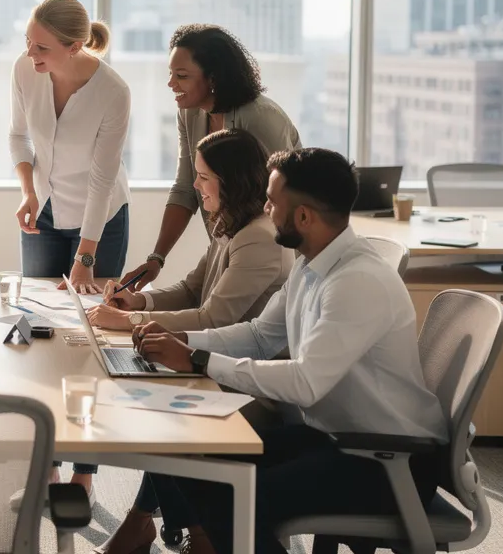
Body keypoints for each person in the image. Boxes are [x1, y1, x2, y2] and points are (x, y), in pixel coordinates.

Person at [134, 148, 446, 554]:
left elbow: (304, 384)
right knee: (191, 456)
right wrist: (185, 343)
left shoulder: (356, 281)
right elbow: (261, 335)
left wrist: (198, 361)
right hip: (336, 439)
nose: (264, 208)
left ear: (303, 217)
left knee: (233, 498)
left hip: (388, 462)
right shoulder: (311, 263)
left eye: (272, 201)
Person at [85, 128, 291, 554]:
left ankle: (193, 538)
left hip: (251, 384)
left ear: (230, 180)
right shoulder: (230, 225)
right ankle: (163, 530)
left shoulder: (259, 236)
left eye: (203, 177)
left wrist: (129, 319)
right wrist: (137, 297)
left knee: (164, 419)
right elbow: (192, 288)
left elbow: (214, 316)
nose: (195, 185)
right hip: (211, 364)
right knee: (156, 406)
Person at [7, 0, 129, 507]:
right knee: (36, 333)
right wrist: (28, 191)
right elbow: (19, 137)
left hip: (101, 221)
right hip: (47, 210)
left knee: (87, 340)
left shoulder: (112, 91)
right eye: (28, 44)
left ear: (75, 46)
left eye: (42, 49)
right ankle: (47, 469)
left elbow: (102, 179)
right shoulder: (25, 68)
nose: (32, 57)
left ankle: (84, 474)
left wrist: (85, 255)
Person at [122, 24, 300, 293]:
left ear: (213, 78)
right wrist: (156, 258)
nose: (171, 84)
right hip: (230, 242)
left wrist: (244, 250)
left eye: (181, 76)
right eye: (170, 74)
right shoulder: (190, 113)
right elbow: (186, 187)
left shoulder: (261, 118)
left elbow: (283, 198)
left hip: (272, 251)